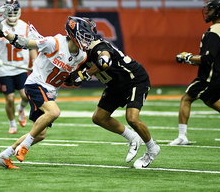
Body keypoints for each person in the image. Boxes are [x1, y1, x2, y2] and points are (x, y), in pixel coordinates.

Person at [0, 16, 96, 169]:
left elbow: (65, 79)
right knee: (54, 112)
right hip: (36, 84)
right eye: (84, 36)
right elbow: (24, 43)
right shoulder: (54, 43)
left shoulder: (81, 56)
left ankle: (5, 155)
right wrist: (4, 31)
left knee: (40, 134)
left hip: (50, 92)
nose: (87, 40)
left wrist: (75, 79)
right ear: (74, 33)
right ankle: (24, 147)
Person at [68, 18, 160, 169]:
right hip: (115, 85)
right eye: (83, 35)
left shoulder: (98, 46)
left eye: (88, 35)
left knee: (132, 119)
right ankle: (133, 137)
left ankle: (152, 149)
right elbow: (70, 78)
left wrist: (84, 74)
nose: (87, 39)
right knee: (99, 118)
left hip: (134, 79)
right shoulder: (78, 53)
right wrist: (70, 77)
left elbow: (104, 61)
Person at [170, 0, 220, 145]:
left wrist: (187, 57)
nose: (208, 11)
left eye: (211, 8)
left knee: (186, 98)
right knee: (210, 100)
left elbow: (208, 58)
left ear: (219, 10)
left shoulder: (215, 29)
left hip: (211, 76)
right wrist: (190, 59)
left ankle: (182, 137)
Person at [0, 0, 38, 134]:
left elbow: (32, 47)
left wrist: (36, 62)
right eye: (10, 12)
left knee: (26, 96)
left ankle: (20, 109)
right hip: (3, 69)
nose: (12, 15)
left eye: (15, 12)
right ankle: (12, 124)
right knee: (9, 98)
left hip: (21, 67)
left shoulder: (25, 27)